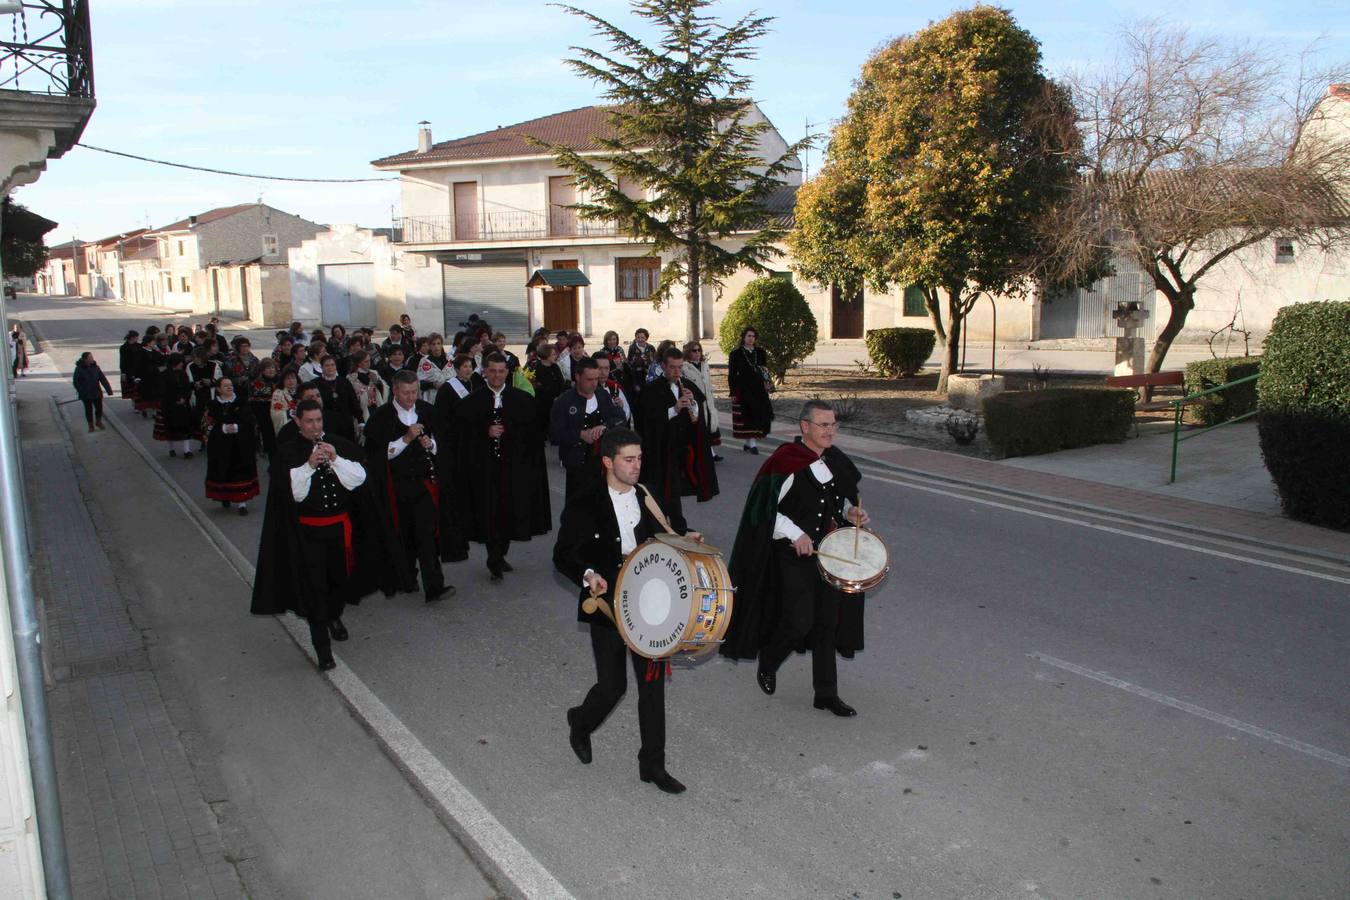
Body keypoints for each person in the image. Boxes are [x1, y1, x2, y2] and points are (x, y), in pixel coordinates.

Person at [554, 428, 700, 795]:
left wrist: (686, 538)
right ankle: (580, 722)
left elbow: (669, 531)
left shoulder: (648, 495)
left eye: (639, 458)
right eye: (628, 459)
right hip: (607, 601)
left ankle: (653, 765)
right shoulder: (585, 502)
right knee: (613, 686)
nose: (636, 466)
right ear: (608, 461)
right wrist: (589, 575)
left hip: (649, 600)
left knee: (652, 686)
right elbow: (564, 554)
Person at [720, 399, 870, 717]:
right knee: (799, 621)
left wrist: (850, 512)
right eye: (824, 425)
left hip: (828, 554)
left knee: (828, 622)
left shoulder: (834, 459)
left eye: (833, 425)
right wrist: (796, 534)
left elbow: (839, 501)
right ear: (805, 427)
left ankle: (826, 694)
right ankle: (769, 660)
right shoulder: (785, 462)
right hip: (792, 556)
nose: (831, 431)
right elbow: (764, 512)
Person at [251, 400, 396, 671]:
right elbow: (293, 494)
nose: (315, 426)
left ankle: (334, 615)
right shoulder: (288, 452)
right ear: (298, 422)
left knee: (338, 582)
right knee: (315, 588)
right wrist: (308, 466)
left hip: (339, 531)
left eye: (318, 420)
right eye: (309, 421)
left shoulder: (336, 444)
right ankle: (322, 649)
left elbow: (358, 479)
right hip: (309, 534)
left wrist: (336, 459)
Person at [454, 352, 551, 581]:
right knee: (490, 512)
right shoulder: (471, 402)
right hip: (484, 469)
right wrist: (484, 431)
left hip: (513, 468)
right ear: (485, 372)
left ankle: (500, 553)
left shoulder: (522, 400)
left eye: (501, 371)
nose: (497, 376)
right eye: (493, 371)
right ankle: (494, 557)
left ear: (507, 372)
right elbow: (461, 435)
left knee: (509, 511)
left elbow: (533, 436)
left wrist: (511, 432)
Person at [364, 371, 457, 601]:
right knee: (403, 535)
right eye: (406, 392)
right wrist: (405, 439)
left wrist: (431, 444)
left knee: (426, 535)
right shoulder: (381, 417)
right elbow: (377, 455)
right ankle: (407, 578)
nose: (411, 397)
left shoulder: (427, 411)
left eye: (414, 392)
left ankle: (434, 586)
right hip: (395, 488)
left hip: (422, 486)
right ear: (395, 391)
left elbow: (443, 444)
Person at [635, 347, 718, 527]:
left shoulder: (687, 386)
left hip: (683, 447)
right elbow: (648, 419)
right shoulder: (653, 389)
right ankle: (674, 525)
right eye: (672, 367)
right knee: (664, 488)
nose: (677, 372)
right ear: (664, 366)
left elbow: (697, 418)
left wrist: (693, 404)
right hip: (662, 447)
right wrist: (674, 409)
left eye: (680, 367)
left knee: (678, 487)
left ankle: (675, 524)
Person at [549, 357, 625, 500]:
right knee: (577, 504)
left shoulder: (603, 396)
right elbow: (554, 434)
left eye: (596, 379)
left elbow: (620, 418)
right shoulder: (564, 402)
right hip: (576, 465)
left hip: (602, 463)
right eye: (589, 379)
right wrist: (580, 434)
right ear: (577, 377)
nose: (594, 383)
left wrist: (605, 426)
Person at [203, 377, 260, 516]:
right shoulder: (212, 404)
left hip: (240, 444)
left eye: (230, 385)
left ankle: (242, 503)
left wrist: (237, 427)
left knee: (240, 471)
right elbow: (206, 423)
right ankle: (225, 496)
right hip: (220, 445)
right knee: (222, 470)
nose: (229, 387)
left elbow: (250, 420)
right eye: (225, 386)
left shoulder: (241, 402)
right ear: (218, 389)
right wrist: (222, 428)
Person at [728, 326, 773, 453]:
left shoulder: (760, 352)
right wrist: (733, 391)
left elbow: (764, 370)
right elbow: (732, 374)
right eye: (748, 336)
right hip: (743, 388)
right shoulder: (735, 354)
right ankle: (752, 444)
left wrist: (767, 383)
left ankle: (748, 443)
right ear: (743, 337)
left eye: (753, 336)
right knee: (747, 415)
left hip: (758, 388)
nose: (751, 339)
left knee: (759, 414)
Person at [681, 341, 722, 461]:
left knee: (708, 425)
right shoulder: (684, 367)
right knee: (699, 427)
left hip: (707, 401)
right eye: (694, 350)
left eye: (699, 350)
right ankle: (707, 453)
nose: (697, 353)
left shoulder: (704, 365)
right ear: (688, 352)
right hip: (695, 401)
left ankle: (711, 452)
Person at [154, 354, 196, 458]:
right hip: (169, 405)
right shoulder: (164, 374)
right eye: (180, 362)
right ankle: (171, 449)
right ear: (175, 362)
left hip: (183, 404)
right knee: (170, 427)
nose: (182, 364)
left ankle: (187, 450)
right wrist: (175, 399)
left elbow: (187, 387)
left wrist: (185, 398)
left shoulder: (183, 374)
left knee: (185, 427)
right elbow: (162, 390)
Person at [312, 355, 361, 441]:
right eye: (327, 365)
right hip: (327, 425)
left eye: (332, 365)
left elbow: (353, 402)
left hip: (346, 424)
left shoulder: (344, 381)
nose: (330, 368)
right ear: (321, 368)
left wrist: (360, 420)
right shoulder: (315, 384)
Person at [525, 343, 565, 439]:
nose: (556, 356)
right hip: (543, 403)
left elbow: (561, 381)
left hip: (556, 399)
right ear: (546, 356)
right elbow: (538, 387)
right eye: (553, 354)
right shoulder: (537, 369)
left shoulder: (555, 367)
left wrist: (558, 395)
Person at [346, 350, 388, 429]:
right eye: (366, 361)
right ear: (359, 363)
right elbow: (351, 396)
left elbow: (385, 388)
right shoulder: (351, 377)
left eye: (369, 361)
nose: (369, 363)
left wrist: (377, 381)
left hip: (376, 408)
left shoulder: (374, 373)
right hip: (363, 410)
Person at [72, 351, 113, 432]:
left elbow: (103, 379)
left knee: (99, 408)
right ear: (85, 359)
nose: (92, 359)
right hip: (86, 394)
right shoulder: (79, 369)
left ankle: (98, 421)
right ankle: (90, 425)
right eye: (90, 357)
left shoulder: (96, 367)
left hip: (96, 391)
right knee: (88, 409)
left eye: (92, 357)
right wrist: (81, 391)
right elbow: (76, 382)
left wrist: (109, 390)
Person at [273, 382, 324, 448]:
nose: (316, 400)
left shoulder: (333, 420)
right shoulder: (287, 432)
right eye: (310, 398)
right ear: (299, 402)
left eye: (318, 396)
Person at [249, 357, 280, 456]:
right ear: (262, 370)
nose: (271, 370)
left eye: (272, 367)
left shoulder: (280, 380)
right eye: (268, 368)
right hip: (264, 413)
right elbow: (254, 400)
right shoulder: (257, 383)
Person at [592, 353, 632, 426]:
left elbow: (627, 414)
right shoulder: (585, 389)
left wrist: (620, 408)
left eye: (606, 368)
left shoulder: (615, 387)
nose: (603, 373)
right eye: (600, 368)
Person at [415, 332, 453, 403]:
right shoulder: (425, 361)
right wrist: (433, 384)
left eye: (438, 343)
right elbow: (420, 383)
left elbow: (454, 377)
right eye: (433, 344)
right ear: (429, 346)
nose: (436, 346)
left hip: (448, 396)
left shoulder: (449, 359)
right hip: (431, 397)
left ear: (442, 344)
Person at [270, 367, 301, 437]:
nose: (291, 381)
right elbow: (276, 413)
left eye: (293, 378)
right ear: (283, 381)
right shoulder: (278, 394)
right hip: (288, 425)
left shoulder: (302, 391)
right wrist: (289, 412)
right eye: (288, 378)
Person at [117, 330, 140, 401]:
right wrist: (123, 373)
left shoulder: (138, 346)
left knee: (137, 390)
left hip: (137, 370)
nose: (138, 339)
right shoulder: (124, 347)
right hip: (128, 371)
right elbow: (122, 361)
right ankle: (134, 402)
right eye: (137, 337)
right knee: (131, 390)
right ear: (132, 338)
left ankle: (136, 403)